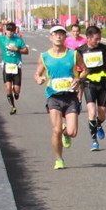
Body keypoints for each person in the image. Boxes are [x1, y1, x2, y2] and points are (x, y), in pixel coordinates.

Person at [35, 25, 82, 169]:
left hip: (70, 97)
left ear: (65, 37)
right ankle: (59, 159)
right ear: (51, 37)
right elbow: (38, 74)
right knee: (56, 130)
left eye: (61, 34)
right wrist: (39, 79)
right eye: (55, 34)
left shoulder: (73, 54)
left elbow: (84, 70)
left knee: (73, 132)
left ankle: (66, 132)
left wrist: (78, 79)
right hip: (53, 96)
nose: (58, 36)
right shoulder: (44, 56)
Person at [0, 21, 28, 113]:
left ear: (14, 31)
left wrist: (16, 49)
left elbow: (26, 51)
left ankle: (16, 93)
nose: (9, 32)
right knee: (8, 87)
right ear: (5, 30)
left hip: (16, 66)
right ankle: (13, 107)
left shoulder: (18, 40)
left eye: (11, 30)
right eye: (8, 30)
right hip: (7, 66)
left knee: (16, 90)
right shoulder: (1, 39)